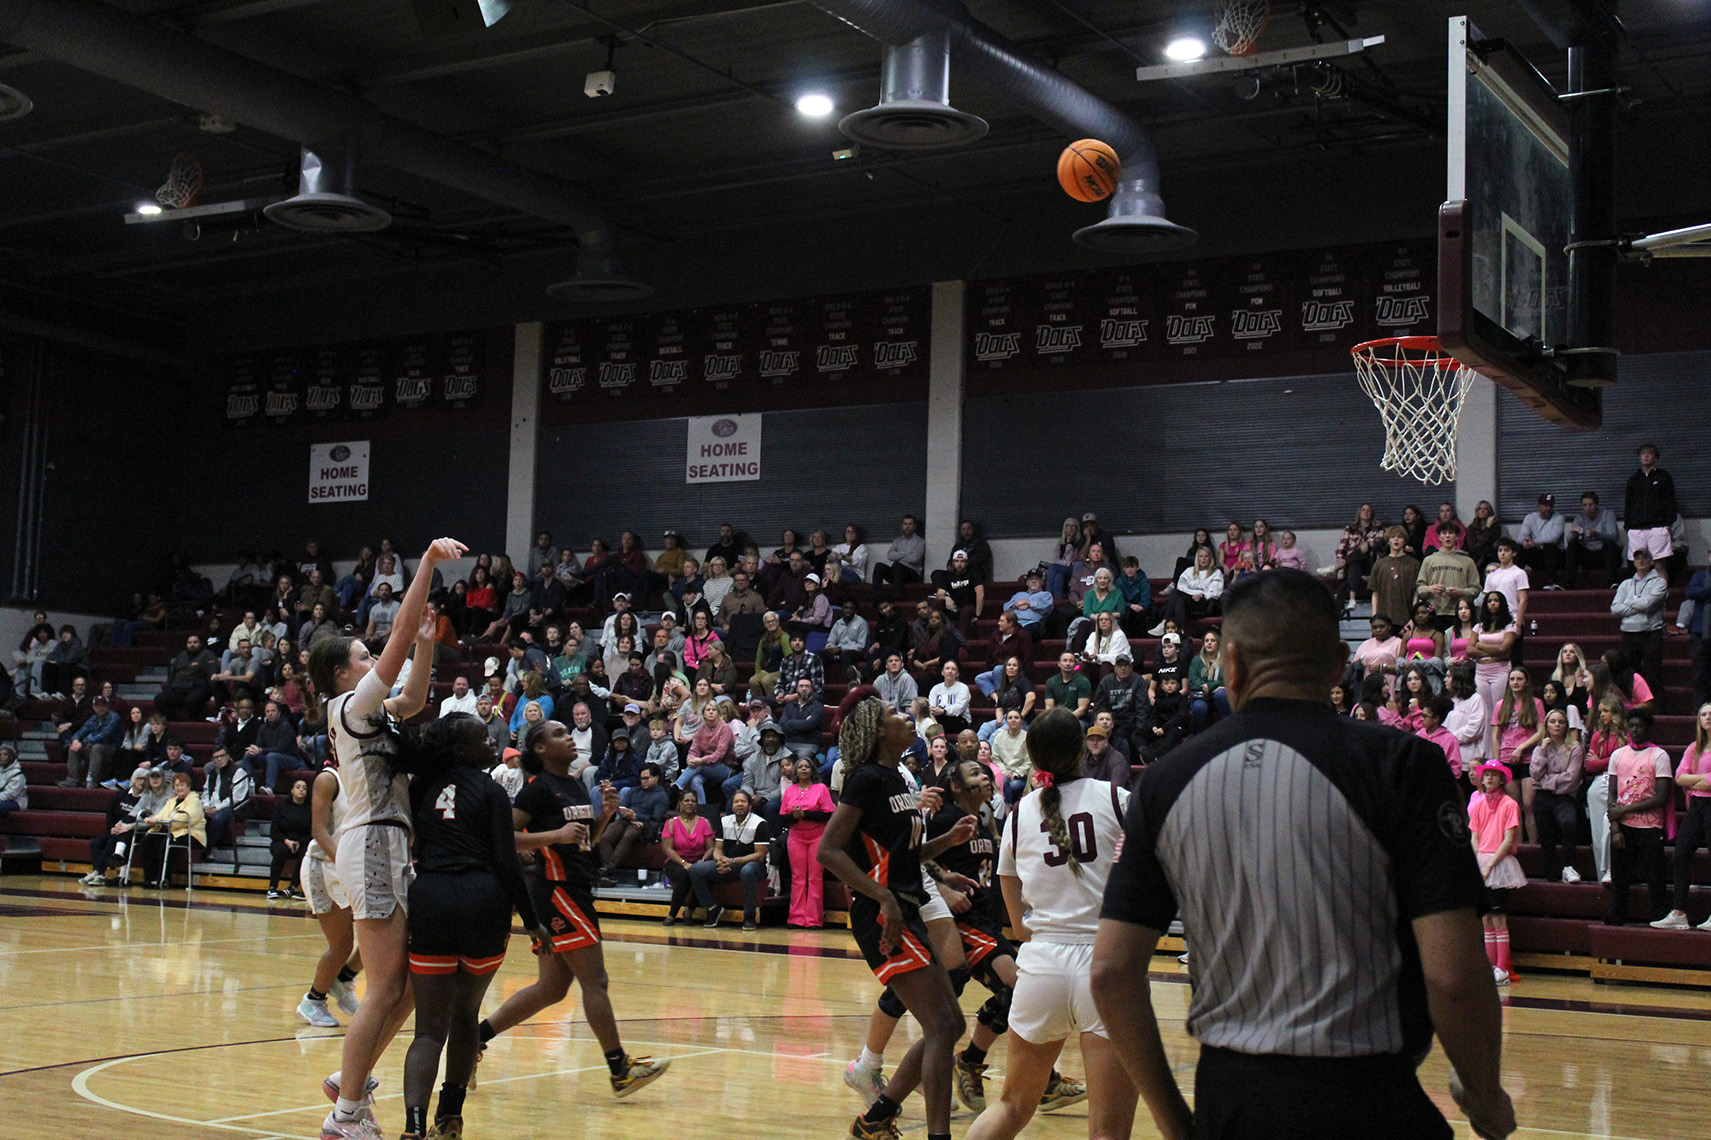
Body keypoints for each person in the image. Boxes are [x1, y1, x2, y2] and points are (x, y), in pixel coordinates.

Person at [1092, 569, 1513, 1140]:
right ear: (1341, 664)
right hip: (1369, 1103)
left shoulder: (1164, 782)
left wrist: (1175, 1124)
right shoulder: (1404, 765)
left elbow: (1113, 973)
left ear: (1231, 665)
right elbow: (1455, 975)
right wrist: (1484, 1097)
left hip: (1230, 1102)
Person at [310, 536, 463, 1140]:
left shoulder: (372, 709)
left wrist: (427, 643)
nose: (371, 656)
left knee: (404, 986)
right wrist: (424, 566)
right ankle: (345, 1114)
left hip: (391, 842)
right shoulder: (347, 706)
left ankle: (351, 1078)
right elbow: (394, 653)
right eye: (362, 653)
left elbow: (416, 695)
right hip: (371, 840)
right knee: (383, 987)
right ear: (343, 672)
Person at [964, 709, 1136, 1140]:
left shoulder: (1021, 812)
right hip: (1106, 963)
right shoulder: (1116, 798)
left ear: (1033, 759)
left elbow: (1008, 879)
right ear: (1082, 750)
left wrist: (1023, 929)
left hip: (1042, 963)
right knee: (1108, 1131)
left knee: (1011, 1106)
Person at [476, 719, 669, 1097]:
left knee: (551, 988)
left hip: (575, 886)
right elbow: (501, 839)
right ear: (542, 749)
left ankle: (474, 1040)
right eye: (560, 734)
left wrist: (605, 818)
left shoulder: (575, 783)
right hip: (556, 891)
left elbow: (581, 842)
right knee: (594, 981)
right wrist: (554, 836)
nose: (570, 737)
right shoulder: (537, 791)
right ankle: (620, 1069)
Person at [820, 693, 966, 1140]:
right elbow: (829, 850)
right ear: (880, 730)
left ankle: (878, 1117)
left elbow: (900, 854)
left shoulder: (897, 780)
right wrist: (882, 897)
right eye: (894, 714)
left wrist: (944, 848)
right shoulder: (864, 779)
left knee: (953, 1023)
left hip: (906, 906)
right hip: (883, 915)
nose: (905, 717)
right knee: (940, 1026)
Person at [1605, 709, 1673, 927]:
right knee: (1619, 878)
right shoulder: (1618, 755)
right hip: (1623, 827)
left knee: (1655, 877)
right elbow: (1612, 795)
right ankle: (1616, 918)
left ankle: (1659, 917)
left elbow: (1660, 797)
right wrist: (1615, 828)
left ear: (1647, 728)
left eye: (1639, 726)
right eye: (1631, 726)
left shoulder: (1659, 756)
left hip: (1650, 826)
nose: (1635, 730)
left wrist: (1624, 810)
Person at [1651, 703, 1711, 931]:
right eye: (1704, 714)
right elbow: (1679, 777)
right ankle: (1678, 912)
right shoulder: (1693, 748)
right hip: (1696, 806)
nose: (1708, 718)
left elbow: (1704, 781)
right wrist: (1702, 779)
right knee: (1680, 855)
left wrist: (1697, 779)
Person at [1468, 762, 1525, 984]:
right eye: (1487, 774)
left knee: (1499, 917)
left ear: (1502, 779)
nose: (1489, 778)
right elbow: (1475, 836)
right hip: (1482, 860)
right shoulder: (1479, 806)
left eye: (1494, 775)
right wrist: (1476, 862)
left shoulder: (1510, 804)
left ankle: (1502, 968)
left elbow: (1508, 839)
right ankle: (1490, 966)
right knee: (1485, 919)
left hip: (1499, 863)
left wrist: (1490, 865)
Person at [687, 788, 772, 931]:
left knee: (748, 871)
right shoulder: (724, 821)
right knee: (696, 869)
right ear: (731, 806)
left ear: (749, 806)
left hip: (752, 865)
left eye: (743, 802)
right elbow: (718, 848)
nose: (739, 804)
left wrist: (733, 862)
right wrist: (721, 861)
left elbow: (759, 855)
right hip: (729, 863)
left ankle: (749, 916)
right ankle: (712, 908)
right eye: (736, 802)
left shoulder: (760, 824)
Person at [1529, 710, 1585, 883]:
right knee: (1545, 834)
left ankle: (1569, 866)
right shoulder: (1541, 747)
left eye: (1561, 722)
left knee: (1568, 823)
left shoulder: (1575, 748)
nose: (1557, 725)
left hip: (1565, 796)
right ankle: (1551, 873)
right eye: (1553, 722)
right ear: (1547, 725)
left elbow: (1571, 778)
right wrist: (1542, 751)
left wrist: (1546, 782)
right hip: (1543, 796)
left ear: (1566, 725)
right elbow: (1535, 773)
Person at [134, 769, 206, 889]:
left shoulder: (195, 801)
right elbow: (162, 815)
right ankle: (150, 878)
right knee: (146, 842)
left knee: (165, 843)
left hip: (191, 834)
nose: (179, 788)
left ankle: (164, 878)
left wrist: (163, 821)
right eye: (176, 786)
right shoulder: (172, 800)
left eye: (182, 785)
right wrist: (153, 819)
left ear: (188, 786)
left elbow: (184, 820)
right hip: (171, 831)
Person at [1612, 548, 1667, 694]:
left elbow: (1649, 604)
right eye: (1637, 558)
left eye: (1644, 558)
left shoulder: (1659, 583)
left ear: (1651, 562)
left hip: (1650, 633)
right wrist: (1638, 604)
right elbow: (1615, 608)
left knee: (1652, 673)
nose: (1641, 561)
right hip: (1629, 633)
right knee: (1629, 673)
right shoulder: (1626, 584)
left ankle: (1656, 708)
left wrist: (1628, 602)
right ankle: (1631, 705)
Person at [660, 786, 715, 925]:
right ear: (680, 803)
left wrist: (703, 861)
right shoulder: (671, 823)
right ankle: (672, 914)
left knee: (699, 873)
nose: (690, 803)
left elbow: (711, 847)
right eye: (686, 800)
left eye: (693, 801)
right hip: (676, 861)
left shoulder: (704, 822)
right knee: (686, 875)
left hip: (699, 860)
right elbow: (667, 849)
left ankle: (689, 910)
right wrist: (684, 863)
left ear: (697, 804)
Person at [1623, 443, 1676, 567]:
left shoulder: (1664, 477)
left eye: (1650, 453)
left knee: (1659, 564)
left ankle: (1661, 587)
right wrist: (1628, 527)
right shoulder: (1633, 480)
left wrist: (1668, 523)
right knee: (1639, 565)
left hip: (1658, 527)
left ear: (1656, 457)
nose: (1646, 456)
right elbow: (1628, 504)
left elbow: (1670, 501)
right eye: (1643, 453)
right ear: (1639, 456)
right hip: (1637, 528)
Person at [1564, 491, 1621, 584]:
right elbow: (1569, 539)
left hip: (1605, 553)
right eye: (1584, 505)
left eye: (1591, 505)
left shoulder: (1607, 514)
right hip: (1589, 554)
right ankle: (1569, 581)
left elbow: (1613, 536)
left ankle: (1612, 581)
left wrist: (1596, 534)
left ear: (1596, 504)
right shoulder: (1580, 517)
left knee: (1609, 544)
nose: (1588, 508)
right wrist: (1574, 535)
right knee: (1572, 546)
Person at [1516, 494, 1565, 589]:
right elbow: (1521, 536)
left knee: (1549, 546)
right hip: (1538, 557)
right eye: (1545, 505)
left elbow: (1553, 538)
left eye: (1550, 506)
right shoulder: (1530, 518)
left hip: (1556, 557)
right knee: (1520, 548)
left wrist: (1534, 542)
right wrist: (1524, 541)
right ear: (1538, 506)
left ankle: (1551, 582)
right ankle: (1514, 581)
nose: (1548, 508)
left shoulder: (1558, 518)